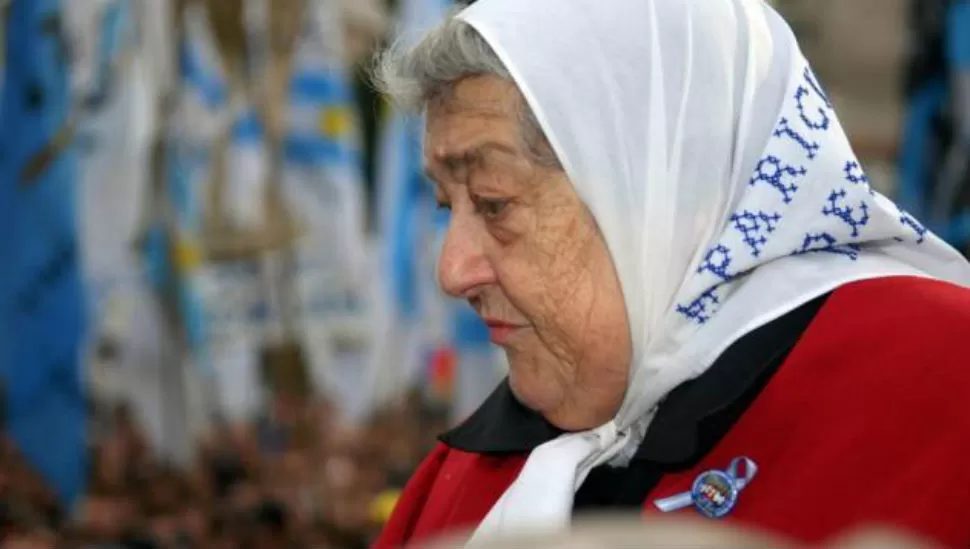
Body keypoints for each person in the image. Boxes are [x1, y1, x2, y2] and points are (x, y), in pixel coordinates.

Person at [369, 0, 970, 547]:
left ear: (661, 185)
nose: (452, 272)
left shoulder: (943, 388)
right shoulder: (461, 486)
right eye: (449, 207)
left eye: (495, 203)